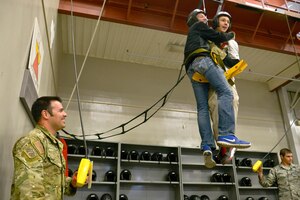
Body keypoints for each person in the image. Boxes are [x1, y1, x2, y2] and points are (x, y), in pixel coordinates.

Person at [184, 9, 251, 168]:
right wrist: (230, 35)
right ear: (194, 19)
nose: (204, 19)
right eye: (202, 17)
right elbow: (219, 40)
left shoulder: (201, 37)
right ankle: (226, 137)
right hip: (205, 64)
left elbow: (223, 57)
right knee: (226, 94)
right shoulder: (201, 29)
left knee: (202, 108)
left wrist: (238, 64)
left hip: (193, 71)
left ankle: (207, 145)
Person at [11, 96, 80, 199]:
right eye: (61, 111)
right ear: (45, 114)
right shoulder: (31, 142)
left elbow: (53, 185)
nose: (65, 114)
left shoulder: (53, 144)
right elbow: (31, 194)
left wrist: (72, 183)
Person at [208, 11, 241, 164]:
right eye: (222, 20)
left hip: (229, 77)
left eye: (228, 21)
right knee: (216, 105)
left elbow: (235, 61)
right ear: (216, 22)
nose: (226, 23)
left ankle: (230, 139)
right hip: (213, 77)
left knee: (234, 101)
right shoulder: (209, 37)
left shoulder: (233, 42)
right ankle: (221, 144)